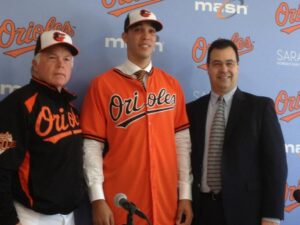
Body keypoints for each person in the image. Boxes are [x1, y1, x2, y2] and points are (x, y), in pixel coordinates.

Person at [80, 9, 193, 225]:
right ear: (124, 37)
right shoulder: (102, 85)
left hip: (166, 201)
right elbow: (92, 147)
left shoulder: (172, 85)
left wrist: (185, 194)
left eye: (151, 31)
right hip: (121, 200)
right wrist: (97, 198)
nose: (146, 36)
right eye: (138, 30)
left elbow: (182, 144)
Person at [187, 38, 288, 225]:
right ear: (207, 67)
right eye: (217, 64)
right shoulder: (192, 111)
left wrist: (271, 216)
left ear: (237, 67)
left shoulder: (260, 108)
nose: (223, 69)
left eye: (229, 63)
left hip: (246, 212)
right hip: (201, 212)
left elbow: (276, 166)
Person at [0, 30, 85, 225]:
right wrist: (9, 220)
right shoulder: (18, 104)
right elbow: (1, 166)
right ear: (35, 65)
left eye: (66, 59)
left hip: (68, 217)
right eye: (52, 57)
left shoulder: (70, 108)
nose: (60, 64)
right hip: (31, 217)